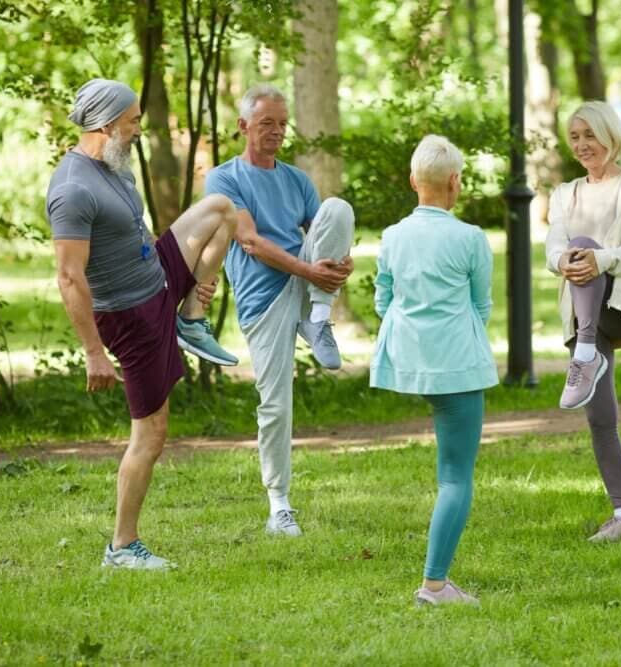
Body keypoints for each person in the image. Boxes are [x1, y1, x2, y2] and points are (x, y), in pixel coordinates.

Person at [47, 78, 239, 570]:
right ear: (106, 123)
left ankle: (192, 320)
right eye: (132, 121)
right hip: (130, 314)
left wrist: (191, 277)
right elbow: (69, 277)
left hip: (156, 275)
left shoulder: (114, 167)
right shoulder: (73, 189)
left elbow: (134, 228)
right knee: (152, 432)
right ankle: (122, 546)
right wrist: (94, 352)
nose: (138, 129)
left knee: (222, 211)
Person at [205, 84, 355, 538]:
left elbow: (322, 230)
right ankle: (279, 505)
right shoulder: (224, 179)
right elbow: (249, 242)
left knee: (338, 207)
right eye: (266, 123)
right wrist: (311, 271)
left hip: (305, 281)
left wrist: (340, 263)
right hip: (263, 295)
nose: (276, 131)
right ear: (243, 126)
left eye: (282, 124)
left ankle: (319, 319)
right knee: (275, 403)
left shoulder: (295, 179)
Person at [370, 135, 498, 606]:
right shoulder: (470, 238)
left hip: (405, 360)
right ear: (455, 183)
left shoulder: (392, 236)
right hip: (455, 365)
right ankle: (435, 586)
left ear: (412, 182)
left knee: (451, 473)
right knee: (455, 477)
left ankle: (437, 584)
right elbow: (480, 307)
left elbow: (384, 299)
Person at [544, 101, 621, 542]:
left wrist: (597, 258)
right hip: (581, 309)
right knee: (600, 416)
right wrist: (565, 262)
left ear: (611, 136)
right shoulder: (565, 193)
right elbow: (554, 247)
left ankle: (587, 352)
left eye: (589, 135)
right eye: (574, 137)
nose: (581, 145)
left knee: (585, 243)